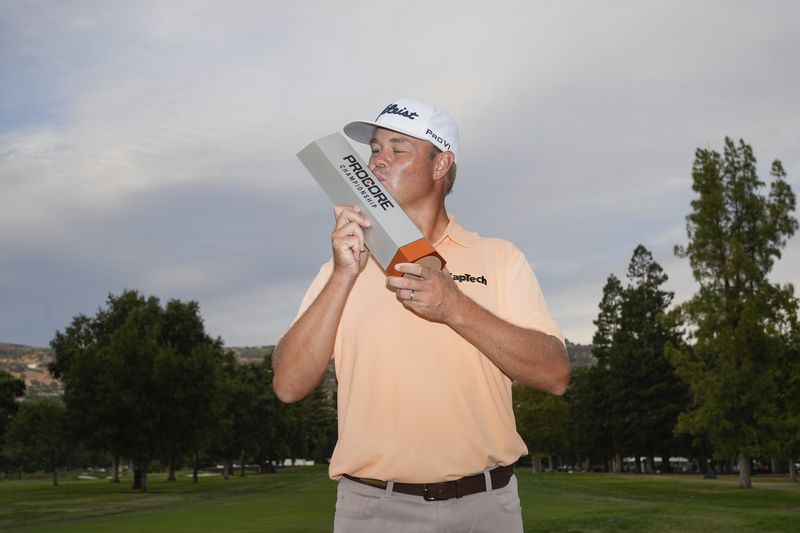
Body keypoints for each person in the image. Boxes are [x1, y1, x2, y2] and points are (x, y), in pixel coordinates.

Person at [273, 98, 570, 532]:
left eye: (398, 150)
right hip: (372, 508)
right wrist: (342, 275)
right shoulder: (340, 266)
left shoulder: (500, 258)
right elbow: (288, 385)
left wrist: (455, 307)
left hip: (484, 506)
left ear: (439, 164)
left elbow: (554, 374)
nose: (378, 161)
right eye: (374, 149)